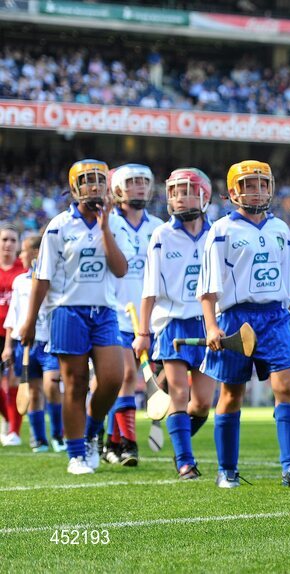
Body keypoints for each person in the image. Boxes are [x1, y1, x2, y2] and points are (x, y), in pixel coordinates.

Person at [198, 160, 290, 489]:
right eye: (249, 185)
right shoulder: (221, 232)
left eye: (263, 184)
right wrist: (212, 326)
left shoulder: (281, 229)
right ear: (234, 191)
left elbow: (288, 285)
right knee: (232, 394)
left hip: (276, 317)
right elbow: (208, 288)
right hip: (236, 318)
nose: (257, 191)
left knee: (286, 387)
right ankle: (227, 469)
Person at [21, 159, 130, 475]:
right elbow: (42, 277)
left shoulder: (116, 222)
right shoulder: (58, 226)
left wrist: (105, 227)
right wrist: (29, 321)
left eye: (99, 181)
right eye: (87, 181)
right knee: (75, 383)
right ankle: (76, 454)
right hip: (68, 311)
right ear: (74, 187)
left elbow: (120, 269)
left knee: (112, 379)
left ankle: (93, 431)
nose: (94, 187)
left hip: (105, 311)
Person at [135, 168, 217, 479]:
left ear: (205, 195)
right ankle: (185, 462)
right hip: (172, 324)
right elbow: (150, 288)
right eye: (175, 192)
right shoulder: (161, 234)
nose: (179, 198)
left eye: (187, 190)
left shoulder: (217, 233)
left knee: (202, 404)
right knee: (179, 394)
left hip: (208, 323)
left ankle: (179, 441)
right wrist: (143, 332)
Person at [104, 164, 164, 467]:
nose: (139, 186)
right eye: (132, 182)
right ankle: (129, 444)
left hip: (149, 318)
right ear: (117, 189)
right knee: (127, 375)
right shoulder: (107, 224)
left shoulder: (160, 227)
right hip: (114, 312)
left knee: (129, 382)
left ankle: (111, 442)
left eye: (144, 181)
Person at [3, 234, 58, 453]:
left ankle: (58, 435)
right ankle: (39, 439)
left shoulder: (52, 278)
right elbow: (13, 316)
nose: (20, 256)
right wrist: (9, 345)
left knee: (52, 385)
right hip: (25, 345)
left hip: (50, 342)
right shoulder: (19, 282)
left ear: (35, 253)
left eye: (23, 251)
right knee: (33, 391)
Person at [0, 223, 26, 446]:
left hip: (15, 335)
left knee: (14, 380)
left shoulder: (23, 270)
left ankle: (14, 432)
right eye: (4, 239)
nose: (7, 244)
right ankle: (9, 420)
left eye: (12, 240)